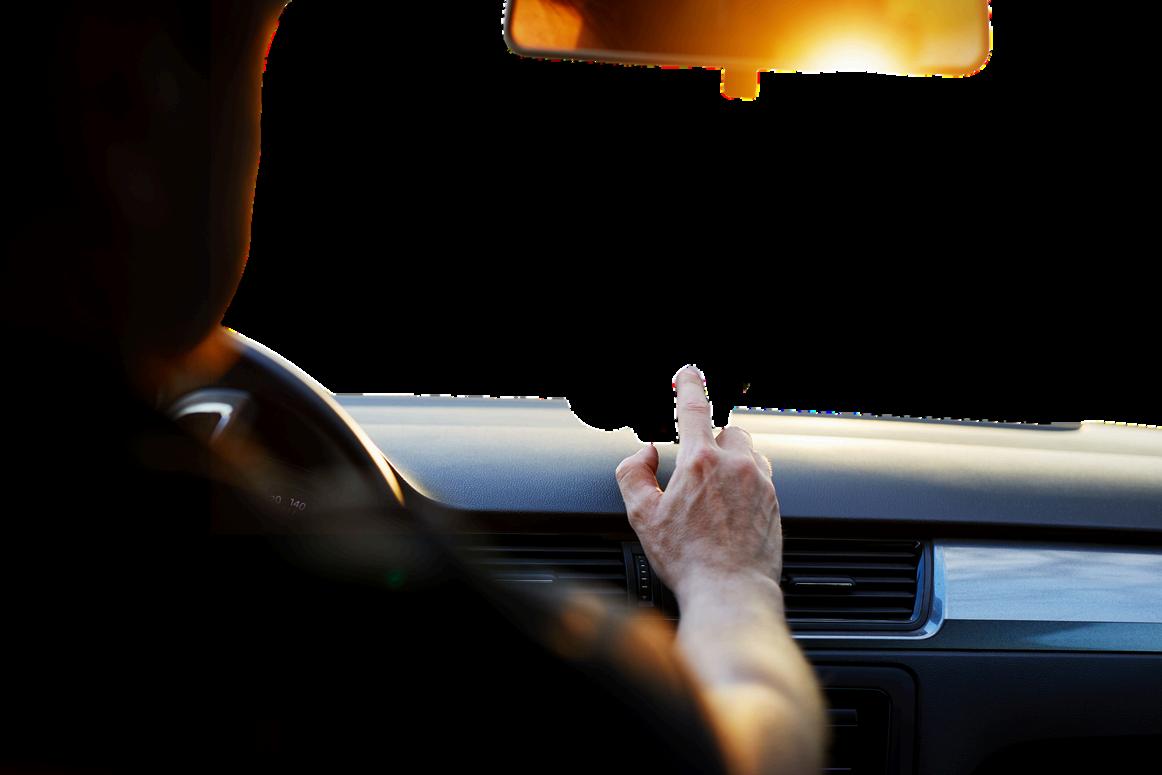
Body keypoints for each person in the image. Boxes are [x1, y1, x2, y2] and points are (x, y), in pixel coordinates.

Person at [3, 3, 825, 772]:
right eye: (254, 64)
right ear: (128, 103)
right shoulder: (317, 618)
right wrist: (731, 579)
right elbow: (747, 752)